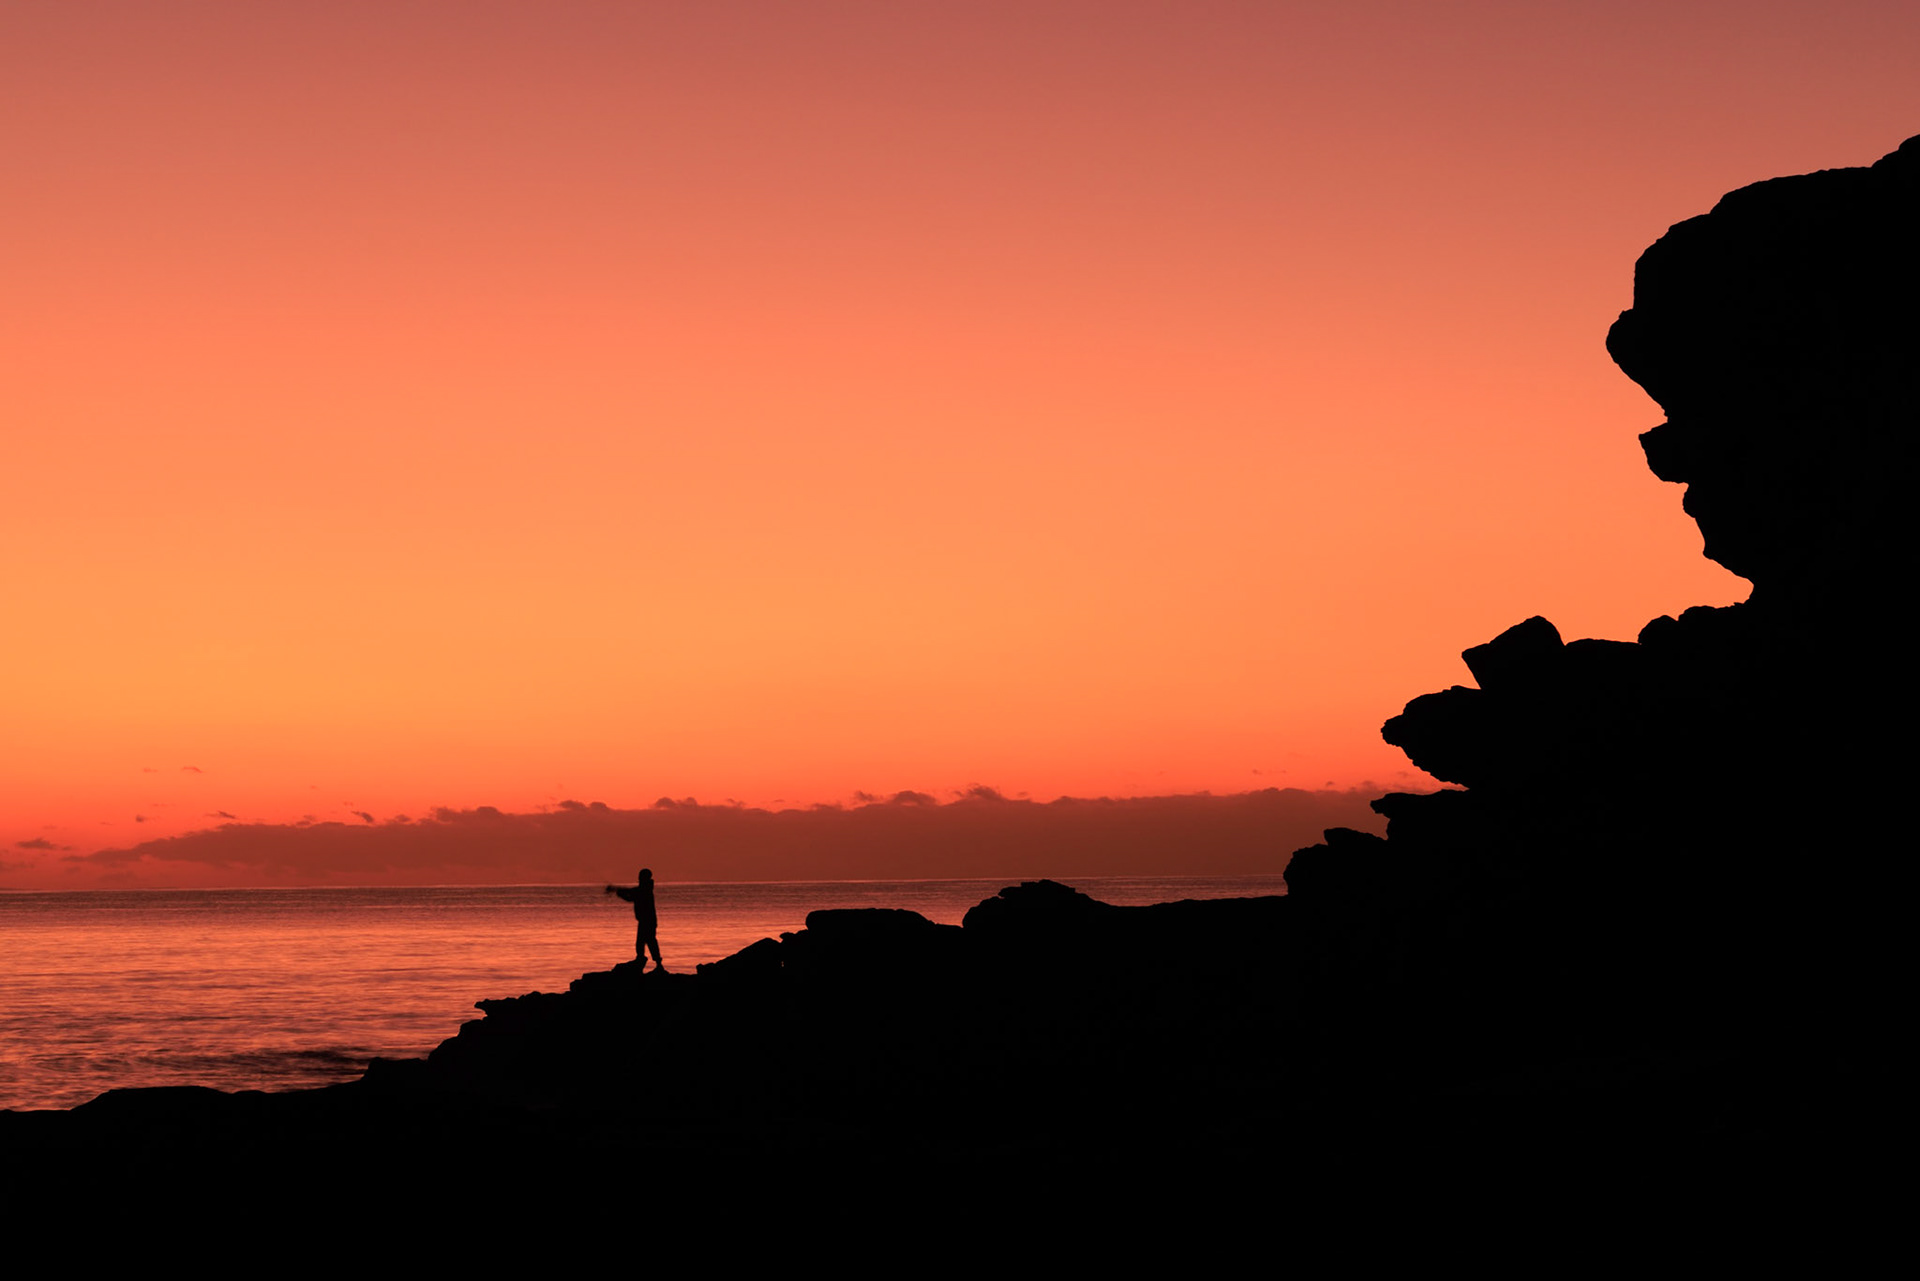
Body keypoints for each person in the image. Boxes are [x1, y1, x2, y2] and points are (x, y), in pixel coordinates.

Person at [604, 867, 665, 971]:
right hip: (645, 921)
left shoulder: (645, 890)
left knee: (649, 941)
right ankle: (644, 961)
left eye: (641, 877)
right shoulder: (645, 888)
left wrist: (618, 892)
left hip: (647, 921)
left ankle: (657, 964)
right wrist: (619, 892)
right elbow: (631, 894)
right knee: (642, 942)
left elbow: (631, 895)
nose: (639, 879)